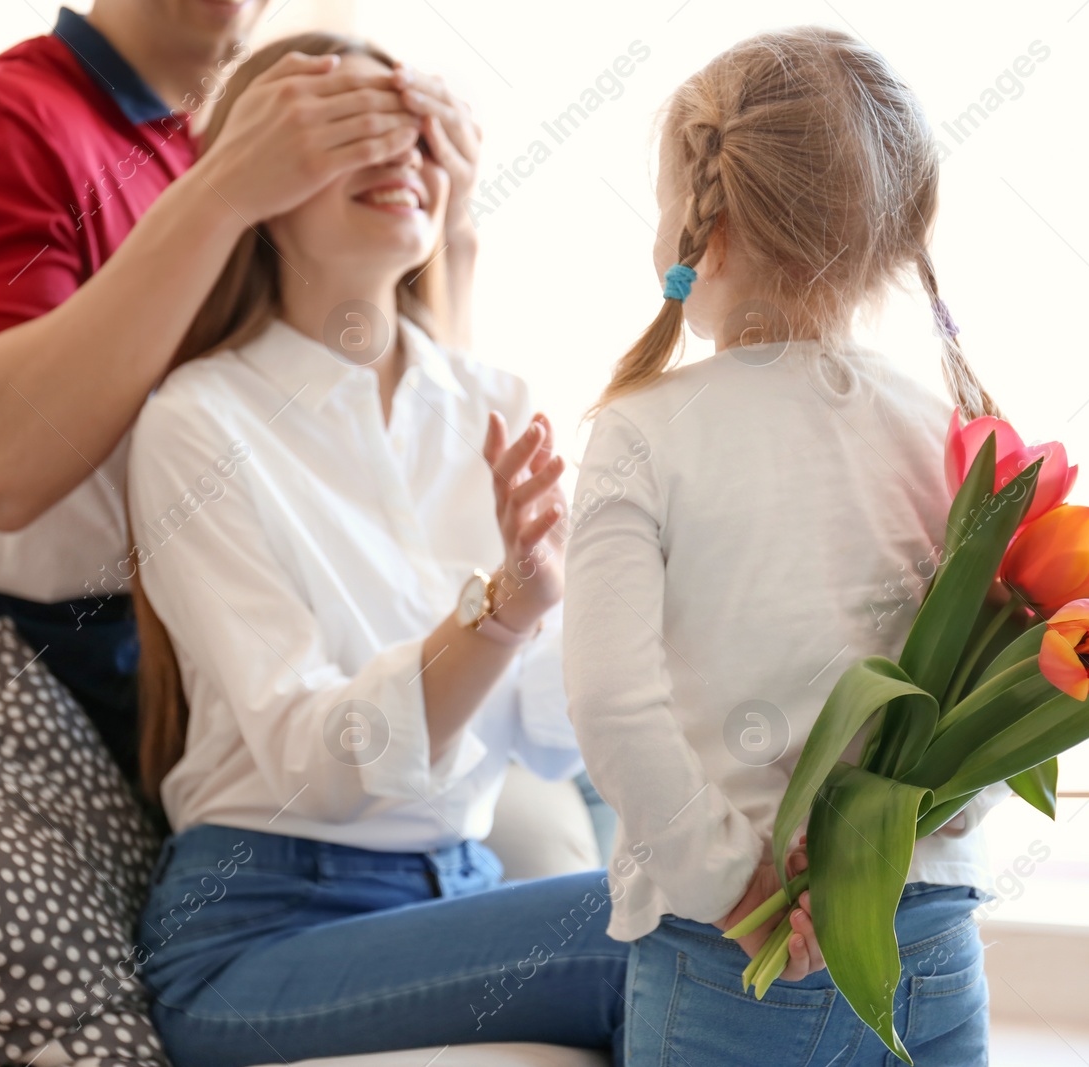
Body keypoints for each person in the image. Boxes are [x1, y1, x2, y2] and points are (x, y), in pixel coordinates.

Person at [125, 34, 749, 1066]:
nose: (402, 154)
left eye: (416, 130)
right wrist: (499, 615)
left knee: (749, 899)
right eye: (351, 132)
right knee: (656, 924)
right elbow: (313, 764)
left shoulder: (487, 402)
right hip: (256, 933)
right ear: (257, 179)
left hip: (455, 885)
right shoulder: (196, 422)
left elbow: (551, 726)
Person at [563, 28, 1009, 1065]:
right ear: (903, 229)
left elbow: (610, 703)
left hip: (732, 948)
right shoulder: (952, 435)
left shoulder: (640, 430)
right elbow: (995, 685)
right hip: (929, 930)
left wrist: (737, 881)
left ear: (697, 224)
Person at [0, 0, 480, 785]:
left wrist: (451, 226)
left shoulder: (213, 149)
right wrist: (228, 185)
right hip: (135, 704)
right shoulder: (7, 124)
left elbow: (391, 437)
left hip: (307, 653)